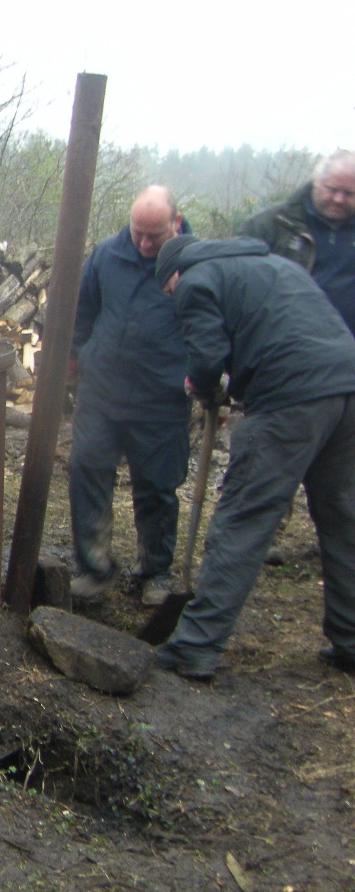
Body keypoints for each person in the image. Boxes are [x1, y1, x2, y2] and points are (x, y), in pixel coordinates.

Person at [151, 234, 355, 681]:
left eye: (168, 291)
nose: (174, 298)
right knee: (343, 518)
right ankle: (350, 639)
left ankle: (195, 647)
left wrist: (205, 390)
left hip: (291, 398)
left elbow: (207, 357)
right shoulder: (276, 265)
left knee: (244, 517)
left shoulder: (194, 280)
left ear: (174, 274)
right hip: (347, 385)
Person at [68, 185, 192, 607]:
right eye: (137, 231)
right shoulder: (106, 255)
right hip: (101, 391)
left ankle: (155, 570)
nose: (143, 243)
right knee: (86, 467)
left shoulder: (194, 265)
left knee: (157, 487)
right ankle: (94, 566)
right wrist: (75, 359)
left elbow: (209, 326)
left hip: (161, 398)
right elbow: (82, 312)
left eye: (154, 236)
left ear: (176, 224)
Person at [239, 150, 355, 334]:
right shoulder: (270, 226)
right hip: (288, 344)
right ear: (316, 182)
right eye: (332, 190)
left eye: (349, 193)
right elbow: (238, 287)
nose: (338, 199)